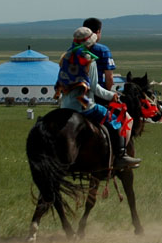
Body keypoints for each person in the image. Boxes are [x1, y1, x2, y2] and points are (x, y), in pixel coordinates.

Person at [56, 26, 140, 170]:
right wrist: (112, 95)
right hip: (85, 105)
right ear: (89, 43)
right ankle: (120, 155)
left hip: (65, 105)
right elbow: (95, 89)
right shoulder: (89, 60)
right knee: (117, 121)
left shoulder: (65, 57)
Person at [82, 17, 116, 105]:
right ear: (98, 32)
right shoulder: (103, 50)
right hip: (96, 95)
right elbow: (109, 78)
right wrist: (108, 95)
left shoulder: (73, 51)